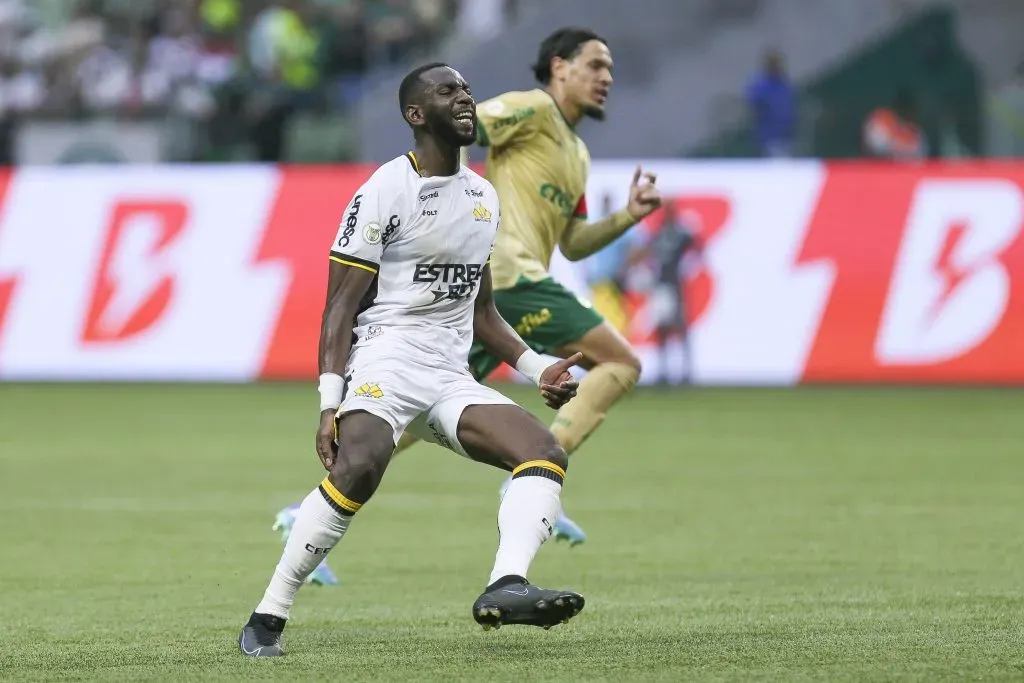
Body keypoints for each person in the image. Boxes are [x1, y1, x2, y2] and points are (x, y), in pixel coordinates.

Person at [239, 62, 588, 657]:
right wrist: (330, 403)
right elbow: (339, 308)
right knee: (360, 466)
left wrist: (536, 368)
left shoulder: (482, 198)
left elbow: (481, 314)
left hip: (450, 376)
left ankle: (506, 585)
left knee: (542, 451)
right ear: (415, 114)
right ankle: (268, 617)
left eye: (467, 89)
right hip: (385, 362)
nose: (465, 98)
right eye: (447, 91)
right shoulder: (384, 190)